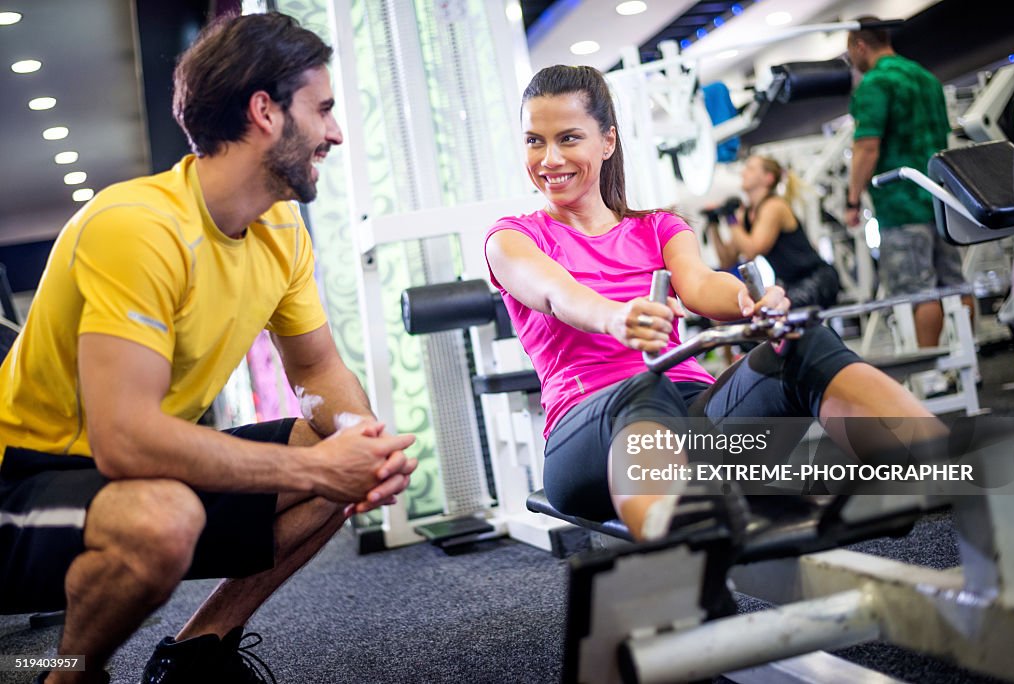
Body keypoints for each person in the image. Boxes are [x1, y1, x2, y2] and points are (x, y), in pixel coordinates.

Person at [0, 13, 417, 684]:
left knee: (336, 456)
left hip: (132, 470)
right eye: (324, 109)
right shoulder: (138, 227)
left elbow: (315, 368)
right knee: (164, 519)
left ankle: (197, 654)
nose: (336, 132)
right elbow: (125, 442)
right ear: (265, 112)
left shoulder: (280, 225)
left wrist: (360, 445)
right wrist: (320, 472)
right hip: (23, 479)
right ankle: (64, 675)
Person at [485, 65, 944, 542]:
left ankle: (930, 464)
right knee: (642, 390)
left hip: (693, 418)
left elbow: (701, 285)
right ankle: (688, 537)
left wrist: (751, 300)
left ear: (607, 142)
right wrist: (616, 316)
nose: (549, 158)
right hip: (589, 434)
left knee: (800, 343)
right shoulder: (513, 239)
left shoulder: (658, 227)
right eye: (534, 141)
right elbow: (559, 294)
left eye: (569, 138)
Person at [844, 16, 968, 347]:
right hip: (940, 198)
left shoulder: (874, 83)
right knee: (955, 285)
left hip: (900, 204)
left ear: (860, 45)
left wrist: (852, 199)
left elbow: (867, 146)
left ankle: (929, 377)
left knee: (918, 292)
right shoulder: (925, 78)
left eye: (849, 52)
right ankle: (972, 367)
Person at [708, 155, 840, 310]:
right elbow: (727, 260)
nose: (743, 173)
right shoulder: (745, 214)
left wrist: (731, 220)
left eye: (750, 169)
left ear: (768, 178)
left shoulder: (774, 206)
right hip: (790, 283)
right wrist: (713, 225)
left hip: (815, 279)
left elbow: (752, 250)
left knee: (776, 315)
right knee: (772, 316)